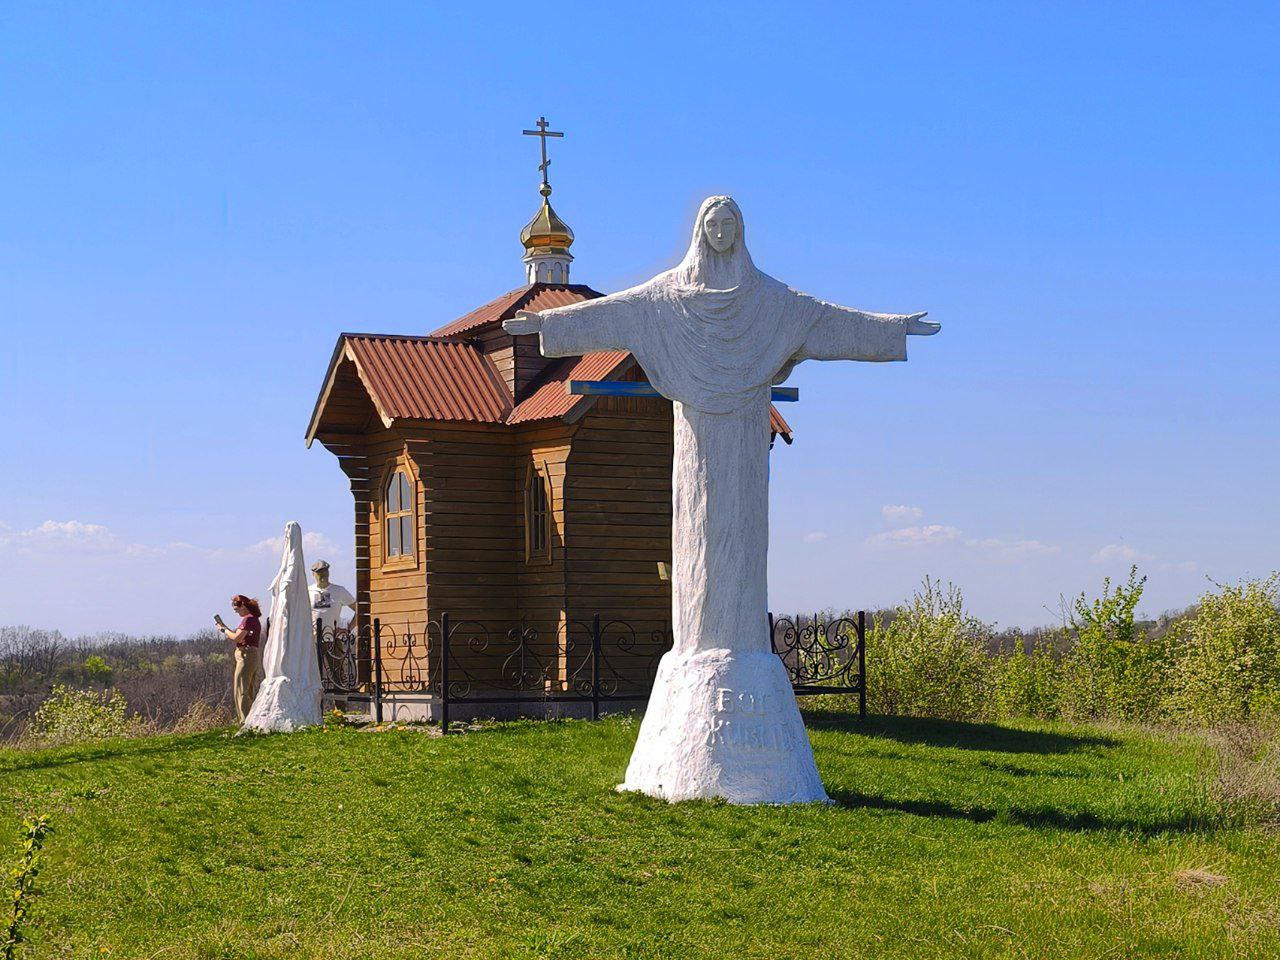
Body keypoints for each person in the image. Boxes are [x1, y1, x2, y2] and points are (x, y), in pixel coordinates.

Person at [215, 595, 263, 723]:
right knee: (248, 689)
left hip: (245, 655)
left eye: (236, 608)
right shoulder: (252, 619)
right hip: (250, 655)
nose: (236, 612)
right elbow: (237, 635)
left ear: (243, 606)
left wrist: (223, 630)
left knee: (241, 690)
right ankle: (252, 720)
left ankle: (245, 721)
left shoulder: (248, 620)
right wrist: (225, 628)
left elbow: (237, 638)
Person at [308, 560, 356, 635]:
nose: (323, 574)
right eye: (319, 572)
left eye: (325, 571)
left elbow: (358, 609)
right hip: (311, 640)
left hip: (333, 640)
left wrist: (348, 629)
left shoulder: (339, 590)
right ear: (313, 574)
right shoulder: (307, 592)